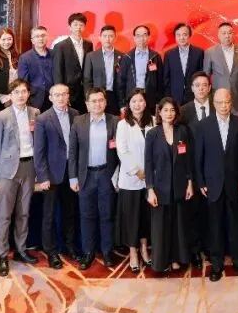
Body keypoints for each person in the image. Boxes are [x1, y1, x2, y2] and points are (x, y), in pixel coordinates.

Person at [193, 88, 238, 281]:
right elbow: (198, 156)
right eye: (220, 103)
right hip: (212, 184)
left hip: (235, 183)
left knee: (236, 224)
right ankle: (216, 265)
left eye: (227, 102)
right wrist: (201, 181)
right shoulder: (203, 125)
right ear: (214, 103)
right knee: (215, 226)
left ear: (231, 102)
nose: (224, 106)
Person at [0, 79, 41, 276]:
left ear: (28, 94)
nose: (21, 95)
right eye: (17, 92)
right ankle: (2, 256)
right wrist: (3, 167)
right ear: (11, 95)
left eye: (24, 91)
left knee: (24, 212)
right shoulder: (1, 116)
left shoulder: (35, 113)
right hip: (8, 169)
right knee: (4, 214)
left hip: (29, 167)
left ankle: (21, 249)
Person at [69, 87, 121, 270]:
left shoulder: (115, 121)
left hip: (107, 174)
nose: (97, 104)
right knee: (87, 215)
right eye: (93, 101)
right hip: (86, 175)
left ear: (105, 102)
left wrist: (118, 177)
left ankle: (107, 251)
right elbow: (73, 151)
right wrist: (73, 177)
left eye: (101, 100)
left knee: (107, 214)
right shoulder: (79, 121)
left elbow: (120, 152)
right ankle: (88, 252)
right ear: (87, 104)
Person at [32, 84, 82, 269]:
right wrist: (42, 176)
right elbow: (39, 151)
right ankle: (51, 251)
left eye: (64, 94)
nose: (61, 98)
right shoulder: (43, 118)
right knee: (50, 214)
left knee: (70, 211)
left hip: (72, 171)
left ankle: (69, 246)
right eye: (57, 95)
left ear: (69, 96)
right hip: (51, 174)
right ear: (50, 97)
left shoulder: (76, 114)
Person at [145, 97, 194, 274]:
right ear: (159, 112)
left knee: (178, 224)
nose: (169, 113)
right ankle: (161, 261)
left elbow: (188, 160)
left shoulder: (183, 131)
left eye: (172, 110)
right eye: (165, 110)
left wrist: (190, 183)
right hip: (159, 188)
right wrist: (150, 189)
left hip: (180, 185)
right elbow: (148, 164)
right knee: (161, 227)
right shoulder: (152, 133)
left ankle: (175, 259)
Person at [114, 89, 154, 273]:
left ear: (146, 103)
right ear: (128, 105)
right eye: (134, 101)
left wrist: (150, 172)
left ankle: (144, 249)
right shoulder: (123, 124)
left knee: (146, 216)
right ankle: (133, 252)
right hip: (131, 179)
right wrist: (137, 171)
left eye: (141, 101)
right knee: (132, 217)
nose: (137, 104)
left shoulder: (153, 121)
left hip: (150, 179)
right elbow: (122, 151)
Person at [179, 71, 213, 266]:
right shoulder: (183, 111)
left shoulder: (217, 108)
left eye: (204, 85)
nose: (201, 88)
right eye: (197, 85)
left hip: (212, 168)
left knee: (210, 212)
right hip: (191, 168)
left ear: (209, 88)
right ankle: (194, 251)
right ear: (191, 88)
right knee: (192, 211)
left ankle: (209, 247)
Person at [203, 22, 238, 116]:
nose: (227, 36)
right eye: (224, 33)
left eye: (230, 33)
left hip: (237, 99)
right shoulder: (210, 52)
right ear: (218, 35)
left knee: (236, 124)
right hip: (218, 99)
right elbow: (205, 78)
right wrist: (206, 98)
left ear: (233, 34)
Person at [53, 12, 94, 110]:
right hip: (69, 92)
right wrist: (62, 94)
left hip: (85, 91)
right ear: (69, 27)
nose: (78, 27)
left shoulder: (89, 45)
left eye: (81, 25)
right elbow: (58, 72)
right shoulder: (60, 46)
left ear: (85, 27)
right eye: (75, 24)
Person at [120, 26, 165, 114]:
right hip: (132, 99)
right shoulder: (127, 57)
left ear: (149, 37)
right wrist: (122, 103)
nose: (141, 39)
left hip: (150, 98)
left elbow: (160, 81)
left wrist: (159, 101)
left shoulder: (155, 56)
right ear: (134, 38)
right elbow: (121, 81)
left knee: (150, 121)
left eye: (144, 35)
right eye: (138, 36)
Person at [83, 25, 124, 115]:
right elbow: (87, 80)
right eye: (105, 36)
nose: (107, 39)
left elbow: (123, 81)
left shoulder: (122, 56)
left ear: (115, 38)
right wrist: (88, 100)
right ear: (100, 38)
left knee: (114, 121)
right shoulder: (91, 56)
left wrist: (122, 103)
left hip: (114, 97)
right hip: (96, 97)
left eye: (110, 36)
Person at [163, 23, 205, 104]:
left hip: (194, 96)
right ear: (175, 37)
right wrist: (168, 98)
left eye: (184, 34)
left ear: (189, 36)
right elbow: (166, 79)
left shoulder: (199, 53)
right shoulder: (169, 54)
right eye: (178, 35)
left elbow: (201, 75)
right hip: (174, 97)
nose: (181, 38)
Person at [18, 25, 55, 112]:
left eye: (43, 35)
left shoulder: (55, 54)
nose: (40, 38)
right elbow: (23, 81)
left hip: (53, 98)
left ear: (47, 37)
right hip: (34, 99)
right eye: (37, 36)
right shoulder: (25, 58)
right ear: (32, 40)